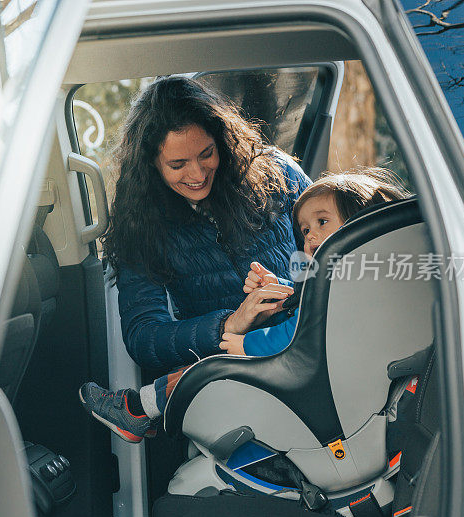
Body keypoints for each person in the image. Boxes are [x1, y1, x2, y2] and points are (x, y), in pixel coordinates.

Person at [81, 169, 409, 443]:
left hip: (321, 383)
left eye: (322, 222)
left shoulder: (344, 284)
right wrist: (282, 294)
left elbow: (298, 336)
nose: (308, 238)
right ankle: (139, 407)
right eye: (305, 230)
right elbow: (309, 316)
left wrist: (242, 343)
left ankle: (137, 410)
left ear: (362, 222)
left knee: (208, 371)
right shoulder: (370, 277)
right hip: (335, 377)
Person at [103, 76, 312, 377]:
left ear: (222, 140)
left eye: (206, 154)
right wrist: (228, 325)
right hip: (231, 371)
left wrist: (293, 290)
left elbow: (334, 257)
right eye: (178, 165)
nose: (198, 174)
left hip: (308, 343)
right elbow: (144, 337)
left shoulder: (278, 175)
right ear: (151, 165)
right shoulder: (140, 225)